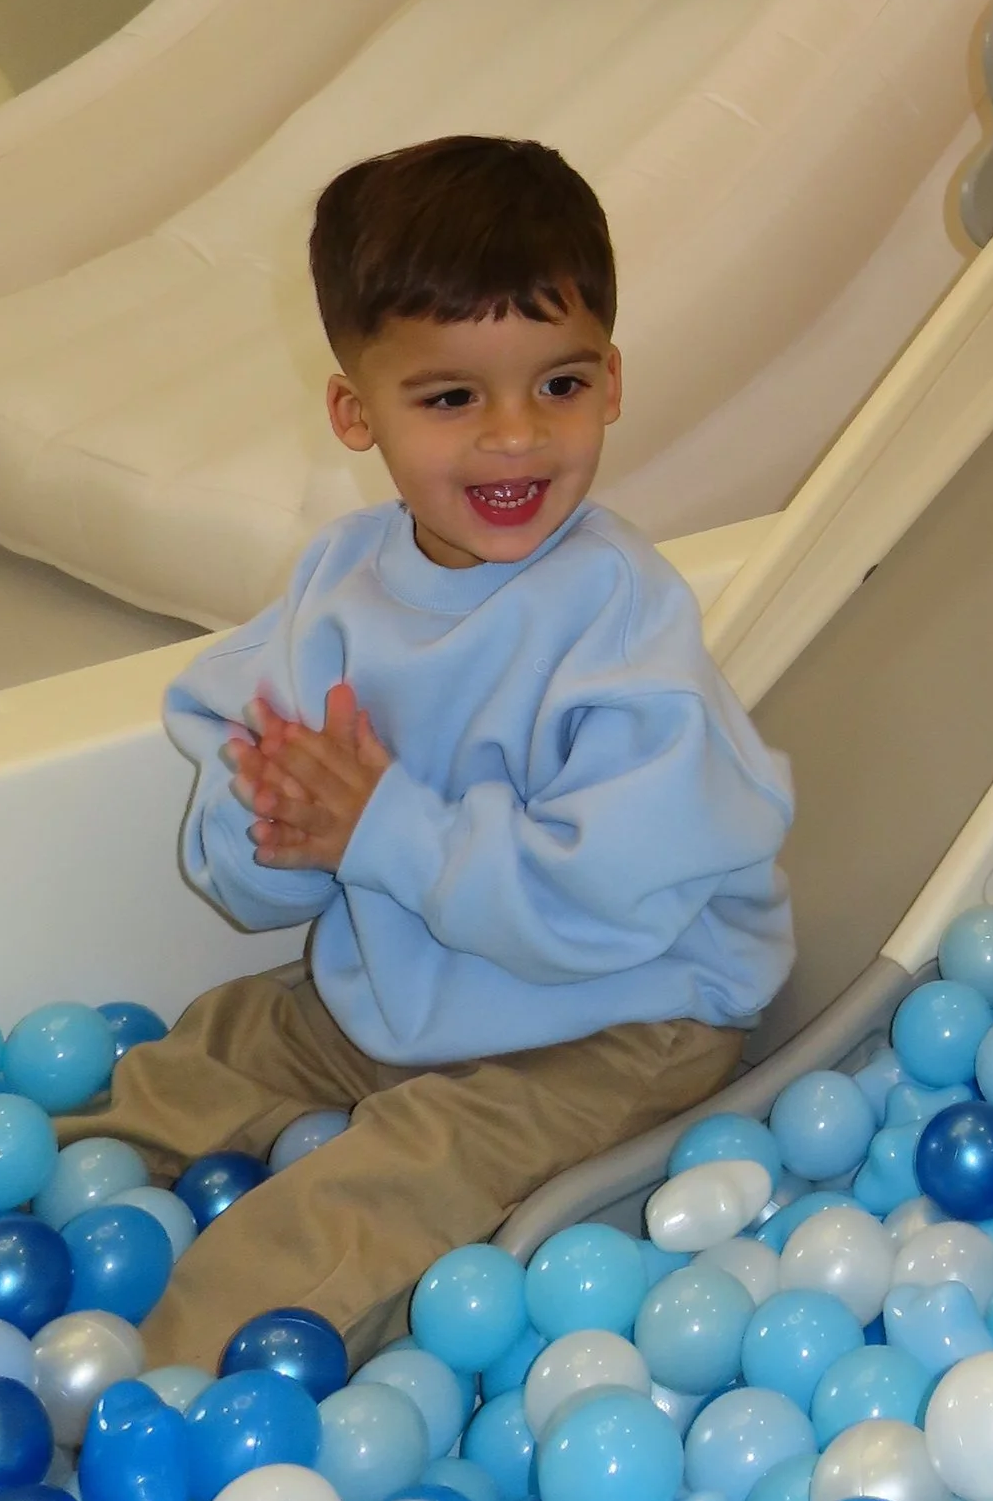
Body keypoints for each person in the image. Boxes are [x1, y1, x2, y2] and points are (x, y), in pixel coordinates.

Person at [82, 134, 794, 1371]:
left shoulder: (618, 618)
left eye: (558, 385)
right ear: (356, 413)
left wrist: (381, 830)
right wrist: (279, 819)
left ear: (612, 382)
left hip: (615, 1019)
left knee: (370, 1194)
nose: (515, 437)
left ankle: (161, 1389)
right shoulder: (339, 586)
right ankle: (12, 1254)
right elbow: (252, 866)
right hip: (410, 992)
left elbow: (614, 905)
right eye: (452, 398)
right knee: (194, 1060)